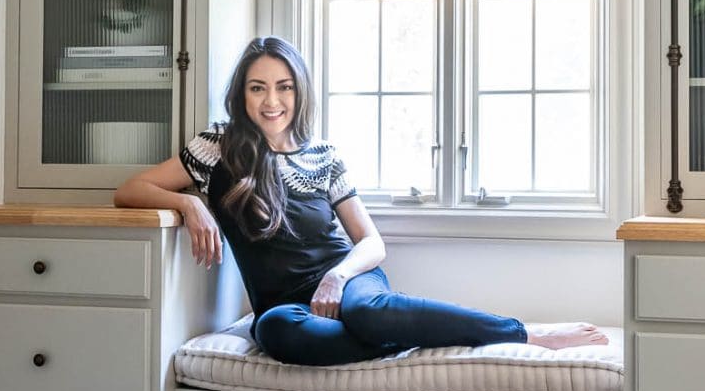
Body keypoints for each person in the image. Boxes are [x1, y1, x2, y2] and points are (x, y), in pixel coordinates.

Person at [113, 34, 608, 368]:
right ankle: (422, 334)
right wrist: (191, 205)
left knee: (370, 314)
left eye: (283, 87)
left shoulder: (323, 156)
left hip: (351, 281)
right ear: (241, 94)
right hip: (286, 306)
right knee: (281, 333)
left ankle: (523, 334)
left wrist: (338, 276)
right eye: (257, 88)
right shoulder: (218, 147)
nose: (271, 101)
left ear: (299, 91)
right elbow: (130, 190)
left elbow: (371, 242)